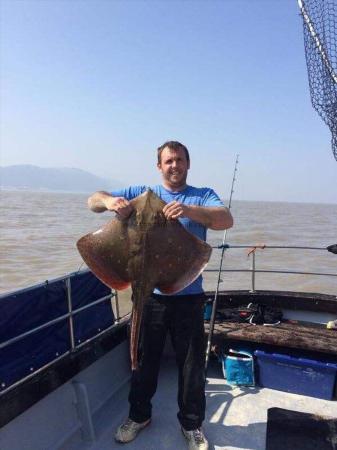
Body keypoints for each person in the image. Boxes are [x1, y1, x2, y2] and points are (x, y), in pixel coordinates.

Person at [87, 141, 233, 450]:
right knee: (143, 359)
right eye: (168, 161)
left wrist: (188, 210)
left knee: (192, 364)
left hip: (189, 294)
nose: (174, 165)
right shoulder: (142, 192)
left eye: (179, 160)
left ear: (188, 163)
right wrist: (112, 202)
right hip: (148, 294)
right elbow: (92, 200)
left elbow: (225, 219)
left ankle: (192, 425)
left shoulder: (202, 195)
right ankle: (138, 416)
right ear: (159, 166)